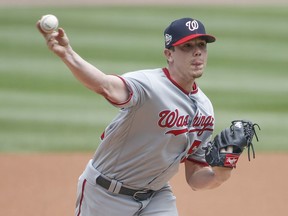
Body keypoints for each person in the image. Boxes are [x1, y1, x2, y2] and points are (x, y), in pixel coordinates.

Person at [37, 17, 233, 216]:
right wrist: (68, 54)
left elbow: (195, 177)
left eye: (202, 45)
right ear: (169, 54)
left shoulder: (205, 108)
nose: (197, 51)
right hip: (106, 195)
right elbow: (105, 85)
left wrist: (221, 174)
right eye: (187, 46)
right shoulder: (148, 84)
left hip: (156, 197)